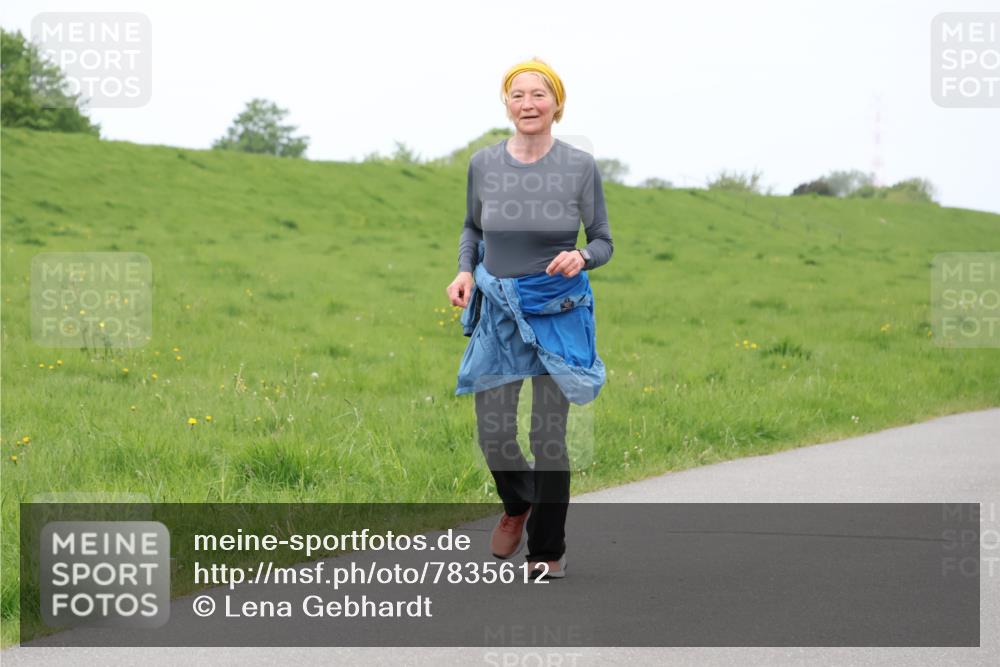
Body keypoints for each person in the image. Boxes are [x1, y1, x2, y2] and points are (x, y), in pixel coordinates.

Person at [446, 57, 613, 580]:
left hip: (557, 312)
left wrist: (582, 257)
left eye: (539, 95)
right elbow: (472, 229)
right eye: (517, 95)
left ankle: (547, 552)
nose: (528, 104)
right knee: (492, 431)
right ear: (507, 104)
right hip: (497, 310)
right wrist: (464, 271)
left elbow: (604, 240)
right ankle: (518, 503)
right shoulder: (484, 164)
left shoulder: (579, 167)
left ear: (557, 105)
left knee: (548, 435)